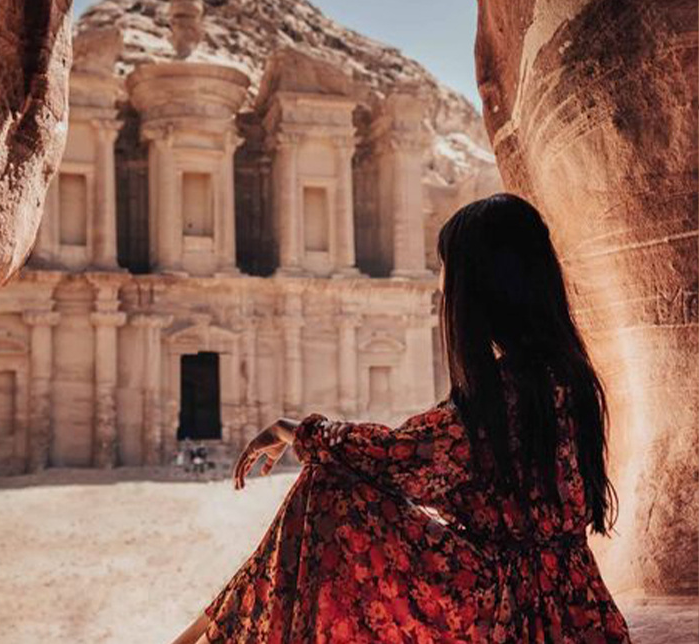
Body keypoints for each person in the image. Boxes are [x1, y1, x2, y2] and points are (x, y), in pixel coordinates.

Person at [171, 193, 632, 644]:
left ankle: (208, 634)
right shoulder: (567, 375)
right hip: (576, 608)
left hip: (508, 614)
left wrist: (292, 430)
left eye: (445, 269)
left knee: (328, 489)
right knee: (329, 482)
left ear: (480, 289)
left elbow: (392, 455)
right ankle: (209, 630)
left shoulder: (499, 399)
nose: (441, 285)